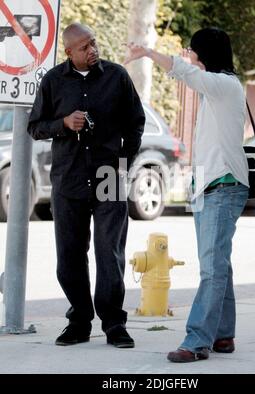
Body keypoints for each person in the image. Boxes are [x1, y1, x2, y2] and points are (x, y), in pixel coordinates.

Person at [124, 27, 249, 362]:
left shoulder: (223, 85)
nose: (188, 54)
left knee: (211, 267)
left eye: (192, 50)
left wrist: (150, 53)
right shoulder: (216, 91)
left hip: (223, 186)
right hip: (210, 187)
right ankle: (223, 334)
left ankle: (197, 341)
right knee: (219, 264)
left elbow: (185, 71)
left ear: (204, 54)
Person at [28, 23, 145, 348]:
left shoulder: (117, 77)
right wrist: (63, 124)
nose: (92, 50)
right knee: (69, 255)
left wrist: (123, 162)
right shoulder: (53, 81)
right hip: (68, 181)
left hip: (110, 177)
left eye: (93, 43)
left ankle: (114, 325)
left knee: (110, 253)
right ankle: (79, 322)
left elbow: (136, 122)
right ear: (69, 52)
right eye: (84, 47)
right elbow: (35, 127)